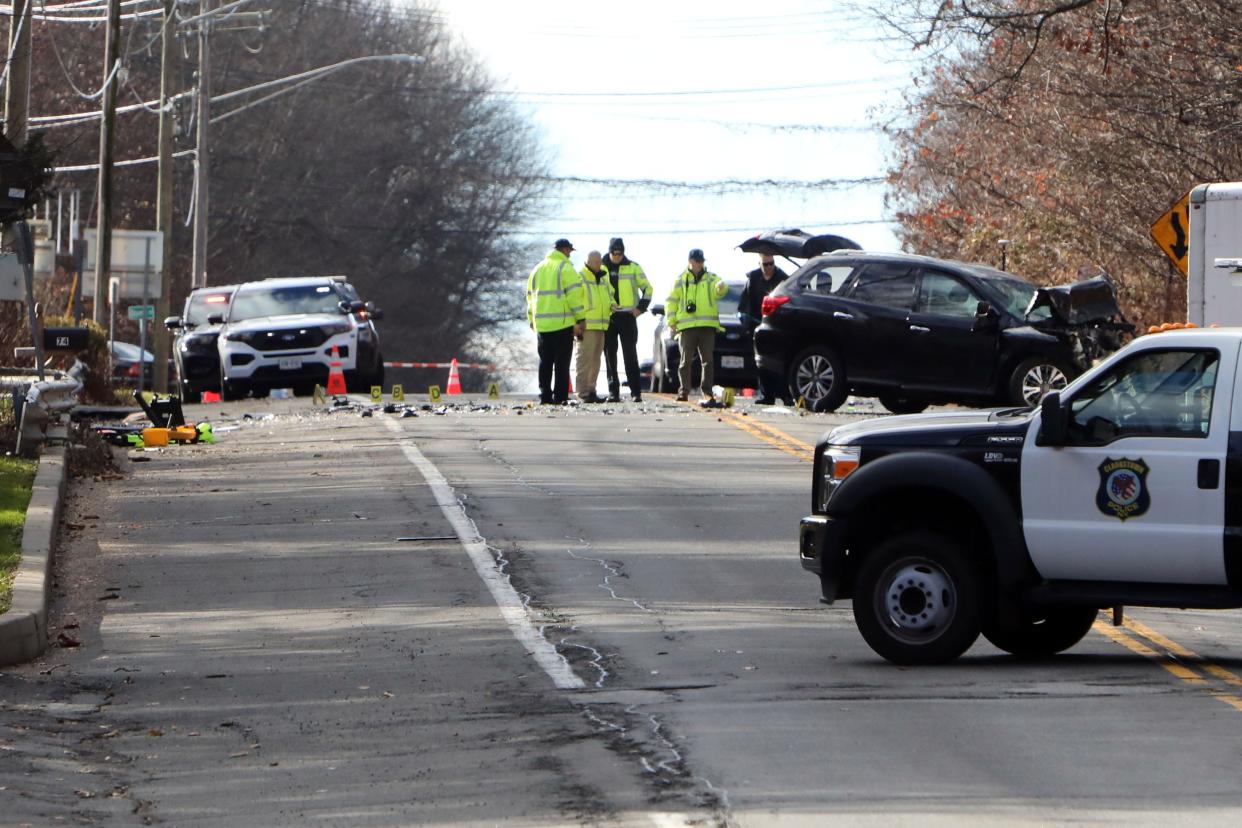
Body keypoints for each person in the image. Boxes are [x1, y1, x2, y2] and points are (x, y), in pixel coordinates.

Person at [665, 248, 728, 407]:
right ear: (690, 261)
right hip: (687, 327)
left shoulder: (711, 278)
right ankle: (683, 391)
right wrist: (671, 320)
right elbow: (671, 301)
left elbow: (720, 290)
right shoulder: (680, 280)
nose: (700, 264)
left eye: (701, 261)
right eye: (697, 261)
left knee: (708, 361)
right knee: (685, 361)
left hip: (707, 326)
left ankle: (707, 392)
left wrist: (721, 287)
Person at [526, 239, 586, 404]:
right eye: (569, 251)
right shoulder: (565, 268)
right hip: (562, 324)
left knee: (545, 362)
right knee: (561, 363)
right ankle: (560, 397)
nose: (569, 254)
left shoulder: (537, 269)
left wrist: (532, 319)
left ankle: (545, 395)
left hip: (543, 325)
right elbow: (574, 296)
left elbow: (530, 297)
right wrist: (580, 318)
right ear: (565, 250)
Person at [601, 237, 652, 402]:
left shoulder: (633, 267)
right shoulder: (600, 267)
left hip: (628, 316)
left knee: (630, 355)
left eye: (620, 253)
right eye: (614, 253)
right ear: (609, 252)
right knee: (610, 356)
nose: (617, 256)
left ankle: (635, 392)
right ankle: (613, 392)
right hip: (609, 316)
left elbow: (648, 289)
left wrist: (640, 308)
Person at [738, 254, 793, 405]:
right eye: (765, 264)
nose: (769, 267)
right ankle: (766, 395)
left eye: (771, 264)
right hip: (758, 326)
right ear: (760, 264)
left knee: (779, 362)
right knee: (762, 362)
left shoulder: (782, 278)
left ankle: (785, 395)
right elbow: (743, 304)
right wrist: (745, 321)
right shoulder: (753, 278)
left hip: (777, 326)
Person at [575, 250, 612, 403]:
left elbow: (609, 295)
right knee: (584, 359)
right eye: (596, 262)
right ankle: (582, 392)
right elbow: (574, 300)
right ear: (588, 262)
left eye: (600, 262)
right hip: (587, 325)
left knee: (596, 360)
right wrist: (577, 323)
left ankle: (591, 390)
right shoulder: (580, 277)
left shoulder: (603, 278)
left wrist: (613, 305)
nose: (599, 265)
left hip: (601, 325)